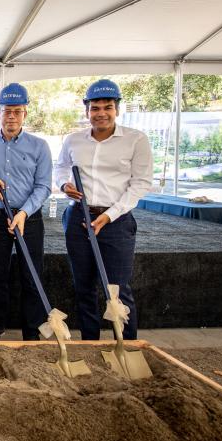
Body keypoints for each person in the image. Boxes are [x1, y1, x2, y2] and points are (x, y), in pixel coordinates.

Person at [54, 79, 152, 340]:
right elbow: (61, 167)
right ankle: (90, 342)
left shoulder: (136, 140)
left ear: (117, 109)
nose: (101, 113)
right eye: (95, 108)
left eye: (107, 107)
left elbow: (141, 183)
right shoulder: (73, 140)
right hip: (78, 217)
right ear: (87, 111)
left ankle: (127, 343)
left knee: (118, 288)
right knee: (83, 286)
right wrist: (64, 184)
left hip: (116, 220)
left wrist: (110, 215)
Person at [0, 83, 52, 341]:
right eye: (7, 111)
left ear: (25, 115)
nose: (11, 116)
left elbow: (43, 187)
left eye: (17, 111)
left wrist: (24, 213)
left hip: (28, 219)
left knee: (31, 274)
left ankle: (32, 330)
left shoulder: (39, 146)